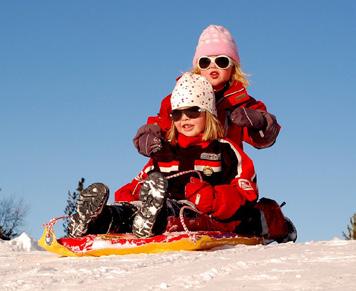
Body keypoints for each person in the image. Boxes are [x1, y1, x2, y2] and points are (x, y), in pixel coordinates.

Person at [68, 73, 296, 243]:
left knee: (175, 213)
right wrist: (128, 197)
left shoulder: (225, 150)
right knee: (130, 211)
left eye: (193, 111)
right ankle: (97, 220)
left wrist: (213, 198)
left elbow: (245, 194)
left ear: (208, 114)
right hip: (158, 205)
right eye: (177, 114)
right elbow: (138, 182)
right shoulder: (166, 151)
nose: (184, 118)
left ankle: (150, 220)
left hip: (199, 213)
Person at [134, 24, 281, 158]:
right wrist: (149, 135)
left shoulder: (241, 103)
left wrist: (260, 122)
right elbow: (162, 122)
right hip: (186, 163)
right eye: (205, 62)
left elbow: (263, 140)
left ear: (233, 68)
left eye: (221, 61)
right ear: (198, 67)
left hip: (226, 168)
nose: (212, 66)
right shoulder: (181, 97)